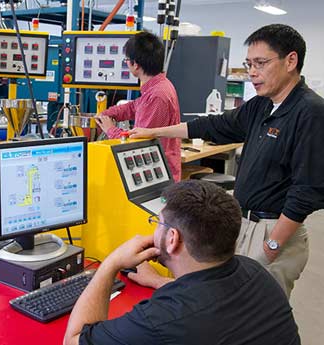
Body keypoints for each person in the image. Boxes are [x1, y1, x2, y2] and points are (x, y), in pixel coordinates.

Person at [129, 24, 324, 298]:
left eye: (260, 63)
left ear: (291, 61)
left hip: (273, 229)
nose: (252, 72)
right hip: (244, 225)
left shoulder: (310, 112)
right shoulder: (262, 105)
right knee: (232, 308)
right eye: (248, 64)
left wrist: (271, 245)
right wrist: (155, 131)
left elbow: (307, 191)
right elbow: (214, 126)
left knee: (257, 319)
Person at [64, 180, 300, 345]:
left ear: (173, 239)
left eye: (158, 223)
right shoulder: (255, 272)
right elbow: (212, 302)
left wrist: (110, 264)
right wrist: (158, 281)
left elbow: (73, 339)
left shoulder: (158, 320)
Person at [95, 31, 181, 182]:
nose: (127, 64)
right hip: (156, 172)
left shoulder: (158, 95)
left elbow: (137, 144)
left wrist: (111, 130)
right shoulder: (158, 86)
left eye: (127, 60)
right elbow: (134, 107)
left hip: (156, 177)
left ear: (135, 64)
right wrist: (108, 113)